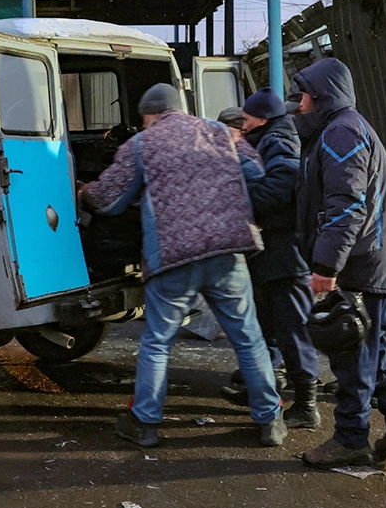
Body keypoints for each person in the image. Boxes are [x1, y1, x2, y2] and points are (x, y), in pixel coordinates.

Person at [79, 83, 285, 449]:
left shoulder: (142, 144)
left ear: (149, 115)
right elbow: (256, 173)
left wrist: (83, 192)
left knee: (158, 341)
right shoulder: (222, 132)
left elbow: (108, 199)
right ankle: (270, 420)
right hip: (227, 251)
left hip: (174, 257)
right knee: (248, 336)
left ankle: (144, 421)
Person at [290, 58, 386, 468]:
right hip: (368, 260)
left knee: (351, 355)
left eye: (305, 96)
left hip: (360, 265)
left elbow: (346, 206)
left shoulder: (341, 132)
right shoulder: (341, 128)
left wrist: (326, 268)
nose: (300, 105)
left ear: (323, 95)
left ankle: (351, 439)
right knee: (373, 350)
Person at [239, 87, 322, 429]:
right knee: (271, 325)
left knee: (293, 328)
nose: (241, 124)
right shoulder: (272, 136)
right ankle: (273, 386)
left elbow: (281, 185)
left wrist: (241, 201)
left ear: (260, 117)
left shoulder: (278, 139)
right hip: (275, 253)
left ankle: (307, 404)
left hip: (286, 254)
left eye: (245, 118)